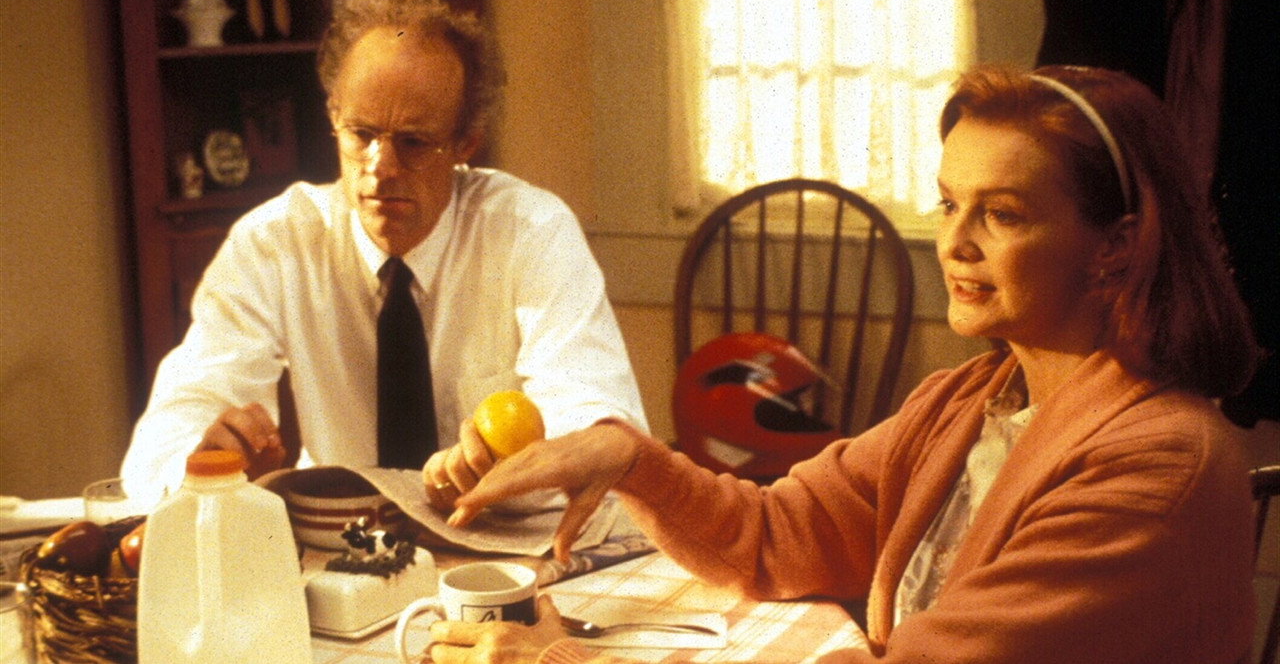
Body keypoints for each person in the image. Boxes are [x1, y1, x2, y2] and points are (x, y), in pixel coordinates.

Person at [435, 65, 1261, 664]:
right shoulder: (967, 401)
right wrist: (628, 458)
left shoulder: (1156, 466)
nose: (955, 242)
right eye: (949, 203)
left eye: (1003, 214)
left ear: (1115, 244)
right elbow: (774, 535)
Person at [120, 0, 647, 506]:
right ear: (333, 118)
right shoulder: (274, 243)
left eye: (413, 142)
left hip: (507, 531)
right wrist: (202, 461)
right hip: (339, 537)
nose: (380, 168)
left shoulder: (530, 231)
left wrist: (526, 460)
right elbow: (163, 442)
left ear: (465, 143)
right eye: (361, 134)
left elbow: (596, 416)